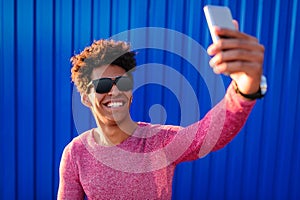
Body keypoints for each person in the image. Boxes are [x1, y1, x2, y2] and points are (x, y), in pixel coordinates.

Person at [58, 21, 265, 199]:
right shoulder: (76, 153)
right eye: (103, 85)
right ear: (86, 98)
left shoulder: (159, 141)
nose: (114, 91)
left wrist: (245, 88)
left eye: (122, 82)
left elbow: (209, 134)